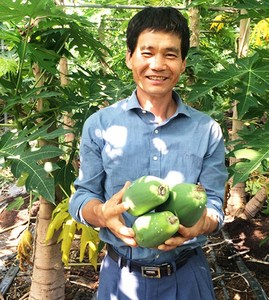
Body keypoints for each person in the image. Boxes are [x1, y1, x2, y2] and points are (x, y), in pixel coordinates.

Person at [69, 6, 228, 300]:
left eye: (170, 54)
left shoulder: (207, 131)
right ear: (130, 57)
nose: (158, 64)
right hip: (121, 276)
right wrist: (102, 215)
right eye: (147, 52)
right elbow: (82, 197)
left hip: (187, 276)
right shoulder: (100, 126)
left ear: (182, 63)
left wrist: (198, 226)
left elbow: (215, 206)